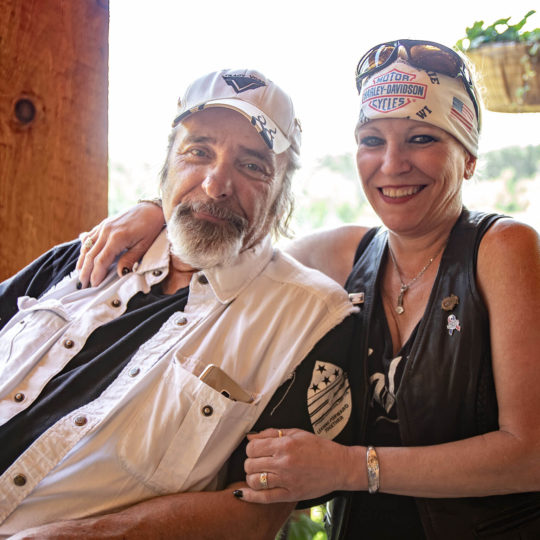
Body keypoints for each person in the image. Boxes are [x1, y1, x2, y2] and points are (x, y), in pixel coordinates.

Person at [83, 40, 540, 539]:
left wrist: (349, 468)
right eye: (372, 140)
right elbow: (239, 242)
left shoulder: (503, 248)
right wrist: (156, 211)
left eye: (421, 139)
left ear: (468, 157)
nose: (392, 164)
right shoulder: (343, 254)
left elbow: (530, 454)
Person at [0, 68, 358, 538]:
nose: (216, 184)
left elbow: (257, 513)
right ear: (167, 164)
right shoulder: (87, 255)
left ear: (282, 193)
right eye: (198, 152)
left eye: (252, 166)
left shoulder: (310, 321)